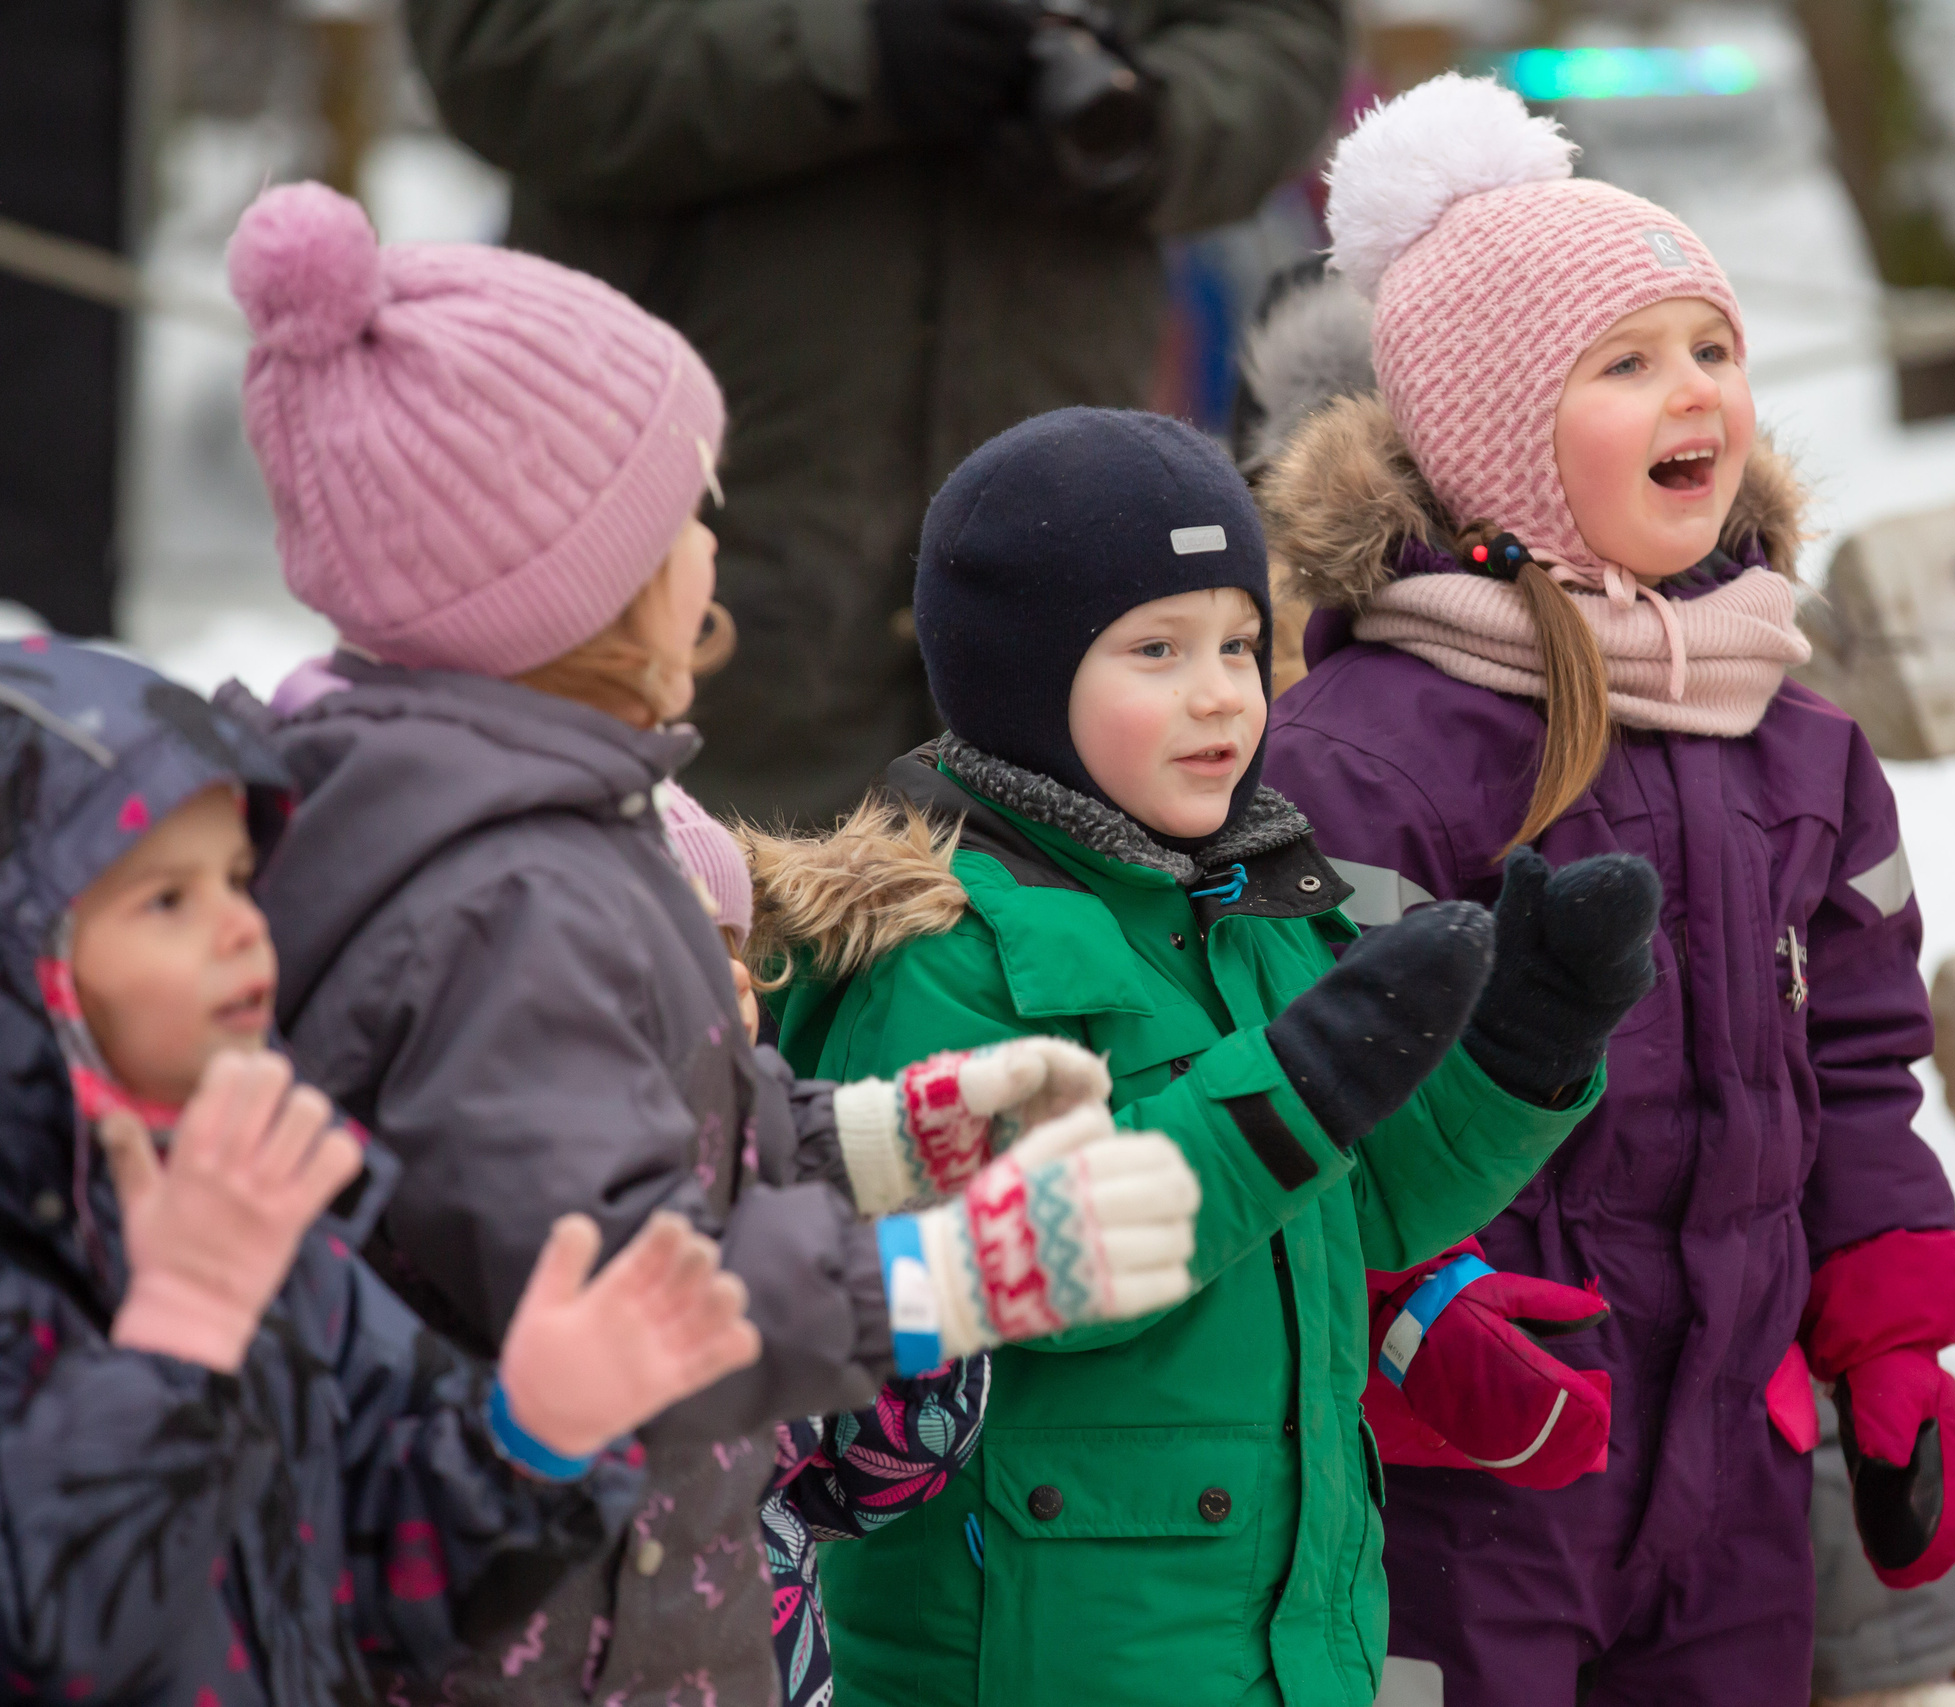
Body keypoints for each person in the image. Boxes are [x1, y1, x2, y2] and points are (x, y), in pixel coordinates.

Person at [221, 180, 1202, 1704]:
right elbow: (613, 1272)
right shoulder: (507, 893)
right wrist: (957, 1273)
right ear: (564, 586)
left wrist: (880, 1132)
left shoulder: (534, 828)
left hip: (609, 1599)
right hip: (543, 1641)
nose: (710, 548)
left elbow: (624, 1139)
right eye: (685, 513)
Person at [749, 407, 1662, 1707]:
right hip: (1050, 1646)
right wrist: (1305, 1079)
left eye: (1239, 640)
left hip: (1292, 1622)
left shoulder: (1260, 906)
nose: (1222, 689)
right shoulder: (936, 950)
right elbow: (1021, 1277)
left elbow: (1365, 1200)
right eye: (1157, 649)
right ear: (1018, 674)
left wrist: (1524, 1045)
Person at [1254, 77, 1955, 1705]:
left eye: (1711, 348)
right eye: (1628, 362)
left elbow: (1859, 1051)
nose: (1695, 394)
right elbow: (1298, 1087)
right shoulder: (1374, 753)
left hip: (1733, 1446)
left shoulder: (1793, 732)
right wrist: (1420, 1309)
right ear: (1499, 431)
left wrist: (1890, 1328)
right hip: (1474, 1452)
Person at [0, 639, 763, 1704]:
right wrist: (179, 1338)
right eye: (164, 902)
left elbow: (388, 1575)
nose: (237, 928)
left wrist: (536, 1439)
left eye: (236, 878)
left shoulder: (259, 1200)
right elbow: (55, 1630)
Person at [403, 0, 1352, 828]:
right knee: (675, 977)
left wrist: (1148, 121)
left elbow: (1276, 34)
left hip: (1057, 546)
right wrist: (848, 52)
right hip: (681, 540)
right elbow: (501, 41)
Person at [658, 778, 996, 1707]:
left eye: (735, 946)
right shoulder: (508, 1203)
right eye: (682, 943)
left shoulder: (782, 1165)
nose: (731, 974)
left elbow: (862, 1480)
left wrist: (928, 1298)